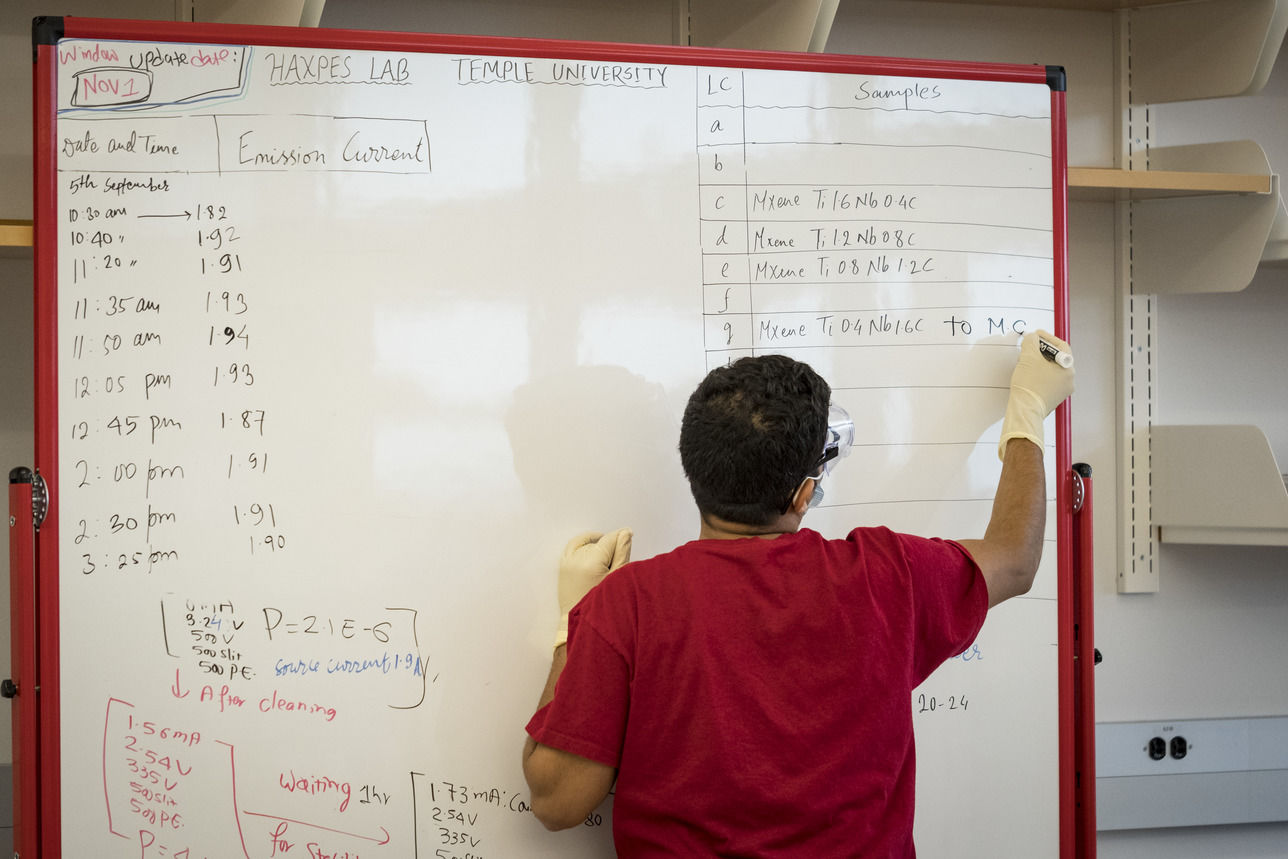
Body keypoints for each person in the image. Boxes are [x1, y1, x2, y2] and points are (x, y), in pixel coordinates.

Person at [522, 331, 1074, 857]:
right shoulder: (890, 576)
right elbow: (1016, 558)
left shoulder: (627, 604)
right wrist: (1026, 411)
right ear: (805, 492)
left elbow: (557, 800)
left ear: (694, 468)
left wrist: (571, 626)